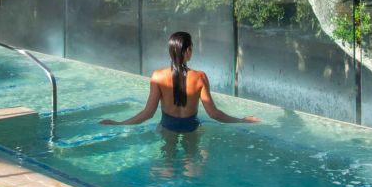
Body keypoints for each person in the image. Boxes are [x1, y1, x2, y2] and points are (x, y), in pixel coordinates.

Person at [99, 31, 261, 132]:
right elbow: (213, 114)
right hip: (191, 129)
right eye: (192, 47)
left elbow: (148, 114)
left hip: (167, 129)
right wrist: (242, 120)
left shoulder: (158, 76)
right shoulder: (200, 77)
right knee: (191, 168)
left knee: (167, 167)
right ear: (187, 51)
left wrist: (120, 123)